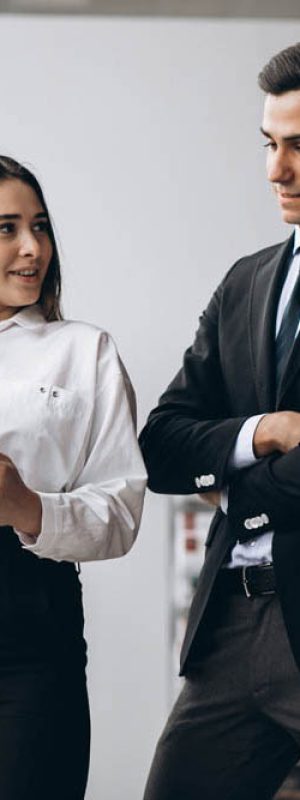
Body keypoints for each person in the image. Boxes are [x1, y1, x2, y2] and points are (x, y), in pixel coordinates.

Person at [139, 42, 300, 800]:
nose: (277, 170)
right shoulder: (247, 282)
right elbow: (162, 445)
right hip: (230, 628)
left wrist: (231, 491)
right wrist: (262, 432)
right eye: (270, 145)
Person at [0, 155, 146, 800]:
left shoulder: (84, 351)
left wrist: (27, 506)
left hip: (29, 626)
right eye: (6, 228)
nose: (33, 249)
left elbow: (120, 513)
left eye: (40, 226)